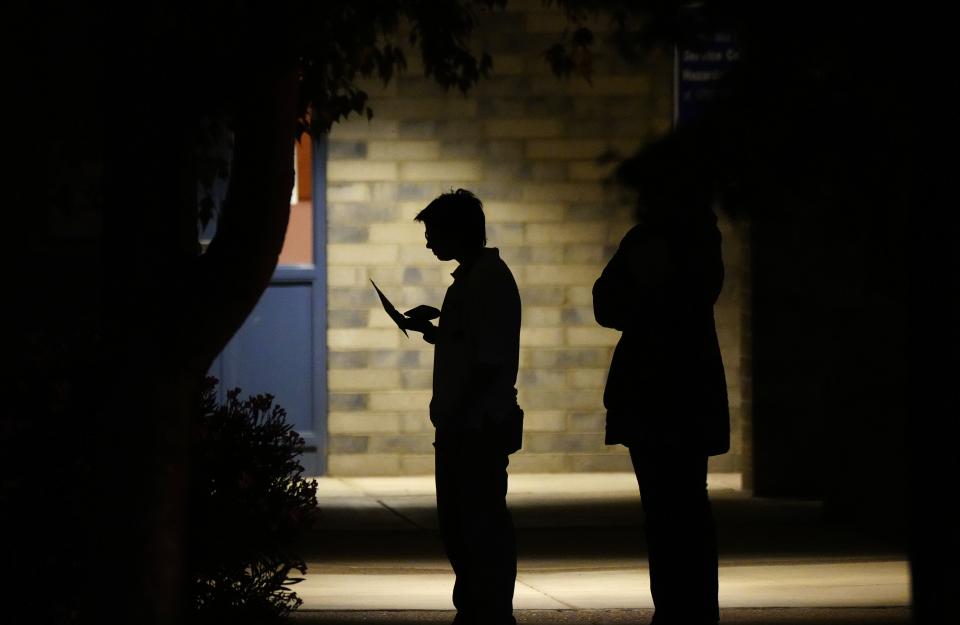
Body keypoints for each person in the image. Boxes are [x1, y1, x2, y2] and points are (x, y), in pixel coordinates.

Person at [592, 184, 729, 625]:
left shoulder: (653, 240)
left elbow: (606, 302)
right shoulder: (704, 243)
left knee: (665, 510)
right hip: (688, 394)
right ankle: (696, 609)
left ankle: (675, 609)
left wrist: (643, 295)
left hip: (654, 394)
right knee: (688, 505)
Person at [402, 189, 523, 625]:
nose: (430, 242)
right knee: (464, 525)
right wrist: (440, 330)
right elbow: (473, 347)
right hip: (465, 423)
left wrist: (457, 416)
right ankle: (479, 607)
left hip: (476, 426)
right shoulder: (472, 280)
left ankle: (487, 612)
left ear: (458, 233)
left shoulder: (486, 281)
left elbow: (488, 364)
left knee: (478, 525)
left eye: (434, 233)